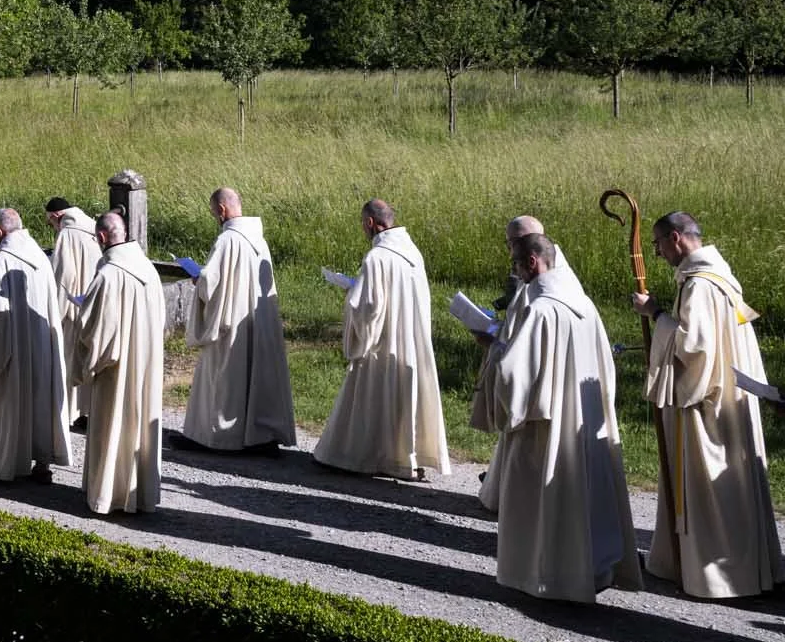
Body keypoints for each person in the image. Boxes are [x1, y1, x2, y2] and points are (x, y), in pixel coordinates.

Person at [634, 211, 785, 599]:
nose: (657, 252)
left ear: (676, 238)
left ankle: (717, 574)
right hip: (734, 396)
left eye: (658, 244)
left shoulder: (701, 285)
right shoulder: (722, 277)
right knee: (735, 486)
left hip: (709, 404)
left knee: (712, 489)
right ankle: (734, 567)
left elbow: (694, 347)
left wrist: (655, 313)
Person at [486, 233, 642, 602]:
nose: (516, 272)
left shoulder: (541, 310)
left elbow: (513, 376)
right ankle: (591, 570)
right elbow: (604, 364)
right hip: (584, 418)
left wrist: (495, 352)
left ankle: (546, 576)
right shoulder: (583, 303)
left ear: (533, 263)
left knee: (545, 501)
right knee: (584, 497)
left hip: (545, 425)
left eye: (516, 264)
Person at [315, 199, 450, 480]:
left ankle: (357, 456)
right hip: (410, 339)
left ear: (370, 223)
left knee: (371, 397)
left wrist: (351, 296)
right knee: (403, 398)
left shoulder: (377, 258)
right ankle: (403, 458)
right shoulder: (412, 251)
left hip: (382, 341)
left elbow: (368, 309)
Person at [179, 188, 295, 453]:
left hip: (231, 322)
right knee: (257, 377)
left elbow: (210, 282)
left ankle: (218, 437)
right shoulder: (259, 240)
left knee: (224, 375)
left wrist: (198, 280)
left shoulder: (227, 240)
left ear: (221, 210)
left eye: (213, 213)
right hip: (260, 320)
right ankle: (258, 436)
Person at [0, 208, 70, 484]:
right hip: (41, 345)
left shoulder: (2, 261)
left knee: (11, 400)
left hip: (13, 349)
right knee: (39, 400)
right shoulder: (39, 256)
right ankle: (41, 463)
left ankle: (5, 461)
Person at [472, 215, 564, 512]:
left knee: (530, 443)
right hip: (536, 372)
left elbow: (526, 348)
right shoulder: (548, 277)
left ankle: (518, 494)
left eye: (513, 245)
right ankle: (500, 485)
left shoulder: (546, 288)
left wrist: (496, 345)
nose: (510, 253)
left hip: (538, 385)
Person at [76, 210, 165, 515]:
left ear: (101, 238)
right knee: (139, 426)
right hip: (146, 362)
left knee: (113, 424)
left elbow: (94, 331)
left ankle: (108, 495)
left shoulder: (108, 275)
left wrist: (85, 365)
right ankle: (140, 495)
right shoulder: (148, 269)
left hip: (116, 370)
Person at [46, 196, 101, 431]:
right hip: (93, 303)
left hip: (73, 306)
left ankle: (67, 412)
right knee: (89, 358)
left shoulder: (68, 233)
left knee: (69, 358)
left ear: (56, 216)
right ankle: (88, 411)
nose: (52, 227)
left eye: (50, 222)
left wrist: (54, 313)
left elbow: (64, 275)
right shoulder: (92, 227)